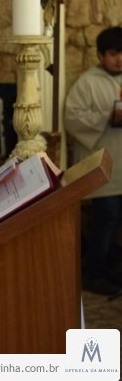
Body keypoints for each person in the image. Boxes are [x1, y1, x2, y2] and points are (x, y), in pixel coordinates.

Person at [65, 26, 122, 296]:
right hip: (104, 169)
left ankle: (110, 268)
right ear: (100, 55)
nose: (119, 59)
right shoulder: (87, 82)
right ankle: (94, 273)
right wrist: (107, 117)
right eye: (113, 53)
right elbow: (72, 119)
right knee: (106, 218)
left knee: (117, 220)